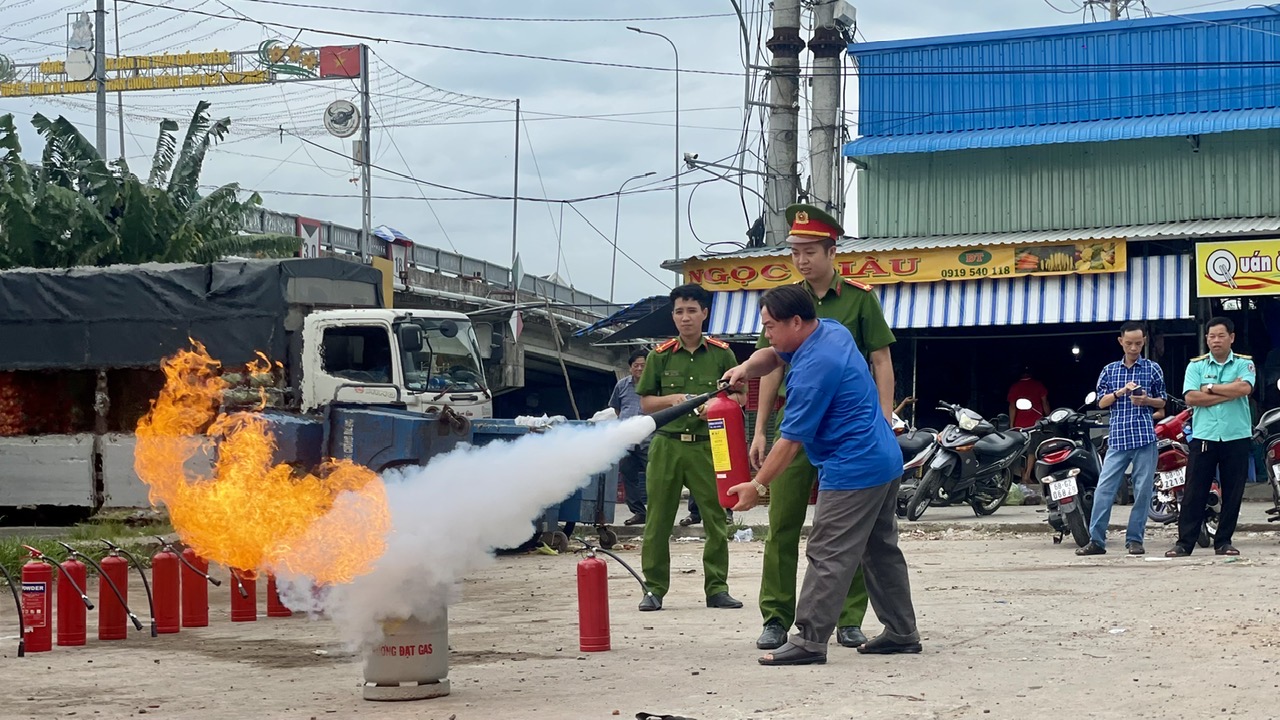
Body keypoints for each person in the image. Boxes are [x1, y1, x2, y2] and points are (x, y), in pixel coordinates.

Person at [722, 285, 919, 666]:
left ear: (795, 322)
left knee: (828, 551)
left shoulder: (815, 369)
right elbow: (772, 355)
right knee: (879, 551)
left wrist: (757, 484)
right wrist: (745, 367)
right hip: (882, 460)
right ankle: (902, 632)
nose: (767, 333)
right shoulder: (830, 329)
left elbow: (790, 442)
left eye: (770, 326)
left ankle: (810, 640)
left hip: (854, 468)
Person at [749, 203, 897, 652]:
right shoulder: (785, 302)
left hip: (844, 435)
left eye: (810, 250)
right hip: (798, 423)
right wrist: (759, 429)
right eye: (795, 251)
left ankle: (845, 621)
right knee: (783, 525)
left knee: (845, 534)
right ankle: (776, 615)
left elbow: (881, 360)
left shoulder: (857, 298)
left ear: (832, 251)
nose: (801, 260)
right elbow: (770, 366)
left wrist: (886, 421)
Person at [635, 283, 744, 611]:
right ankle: (654, 589)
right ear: (673, 316)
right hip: (666, 446)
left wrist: (720, 404)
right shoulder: (659, 355)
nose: (685, 318)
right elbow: (645, 403)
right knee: (658, 520)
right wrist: (674, 400)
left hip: (710, 445)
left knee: (715, 517)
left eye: (692, 311)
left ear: (704, 314)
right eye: (680, 312)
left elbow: (741, 396)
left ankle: (717, 588)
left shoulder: (722, 353)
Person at [1076, 322, 1166, 557]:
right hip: (1117, 438)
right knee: (1104, 490)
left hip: (1145, 437)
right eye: (1129, 343)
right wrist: (1120, 392)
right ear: (1121, 342)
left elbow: (1163, 402)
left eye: (1138, 343)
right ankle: (1096, 540)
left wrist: (1147, 400)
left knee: (1143, 491)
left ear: (1144, 341)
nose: (1134, 347)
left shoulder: (1153, 369)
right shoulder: (1109, 370)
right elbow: (1101, 402)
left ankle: (1135, 540)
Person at [1167, 317, 1254, 558]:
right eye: (1211, 336)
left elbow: (1245, 389)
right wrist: (1228, 392)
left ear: (1232, 337)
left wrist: (1211, 389)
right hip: (1205, 436)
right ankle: (1185, 543)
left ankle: (1224, 541)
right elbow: (1191, 398)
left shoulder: (1244, 364)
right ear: (1206, 339)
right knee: (1195, 490)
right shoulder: (1197, 366)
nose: (1215, 340)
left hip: (1236, 436)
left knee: (1233, 491)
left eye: (1221, 336)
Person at [609, 349, 650, 527]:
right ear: (630, 368)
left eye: (643, 365)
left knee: (655, 475)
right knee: (628, 475)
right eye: (636, 365)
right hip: (627, 439)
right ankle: (639, 513)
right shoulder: (622, 385)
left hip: (649, 438)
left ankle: (658, 512)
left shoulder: (655, 385)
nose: (640, 368)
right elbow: (617, 409)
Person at [1008, 367, 1050, 485]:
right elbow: (1045, 402)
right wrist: (1049, 417)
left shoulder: (1015, 387)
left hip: (1020, 425)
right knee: (1033, 450)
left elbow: (1012, 407)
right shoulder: (1038, 385)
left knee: (1021, 451)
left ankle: (1023, 476)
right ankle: (1027, 475)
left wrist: (1012, 424)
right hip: (1036, 423)